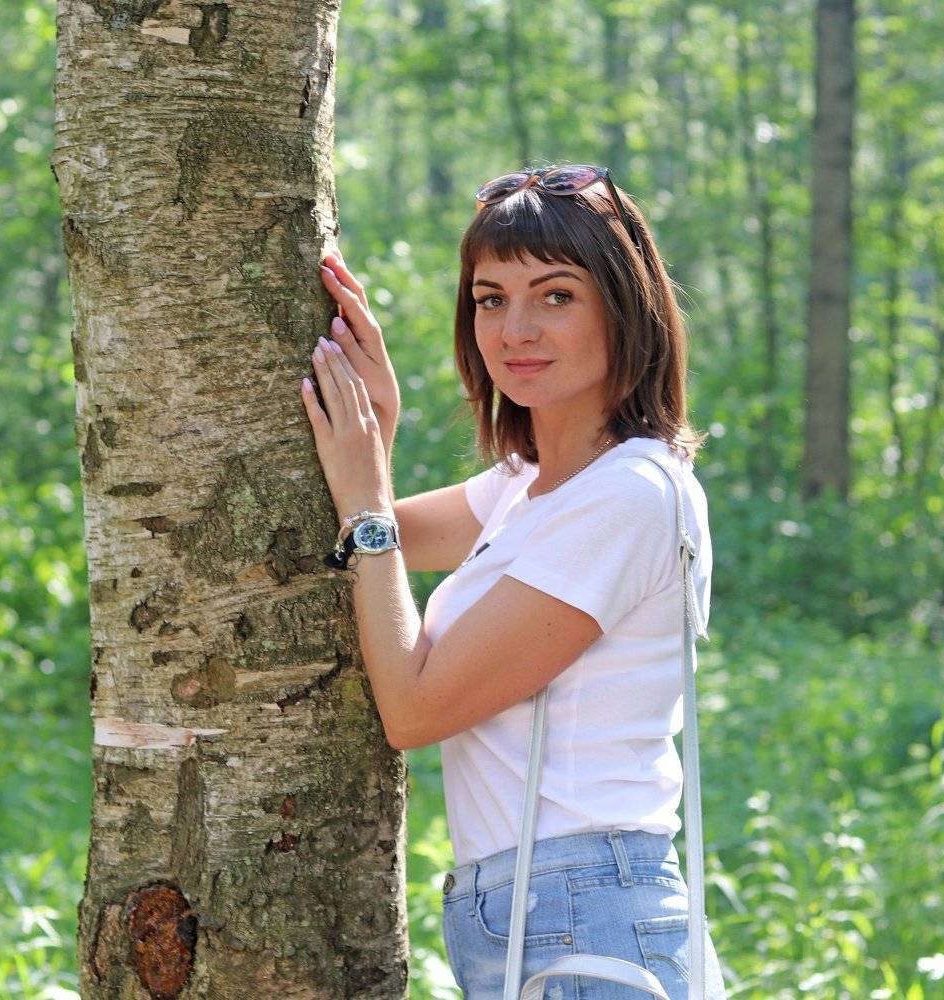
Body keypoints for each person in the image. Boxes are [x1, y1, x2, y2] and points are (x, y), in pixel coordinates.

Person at [299, 163, 727, 1000]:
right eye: (490, 299)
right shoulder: (528, 487)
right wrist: (378, 428)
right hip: (540, 908)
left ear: (625, 307)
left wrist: (367, 498)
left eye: (556, 296)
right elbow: (360, 535)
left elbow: (415, 710)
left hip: (584, 907)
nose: (515, 329)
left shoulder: (630, 495)